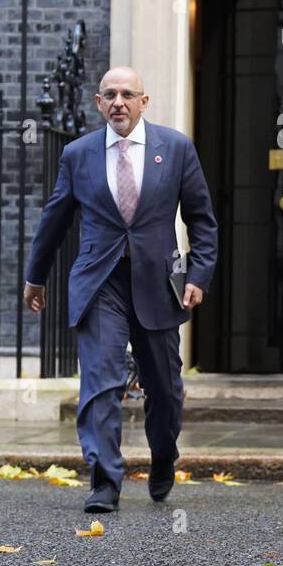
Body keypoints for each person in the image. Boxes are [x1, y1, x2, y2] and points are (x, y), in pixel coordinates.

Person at [23, 67, 217, 513]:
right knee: (101, 382)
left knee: (165, 391)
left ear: (144, 102)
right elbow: (54, 220)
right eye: (110, 94)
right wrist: (36, 277)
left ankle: (163, 458)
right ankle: (105, 480)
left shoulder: (176, 148)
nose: (119, 102)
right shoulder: (78, 154)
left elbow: (202, 220)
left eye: (128, 94)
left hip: (157, 282)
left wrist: (197, 276)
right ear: (97, 102)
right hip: (99, 281)